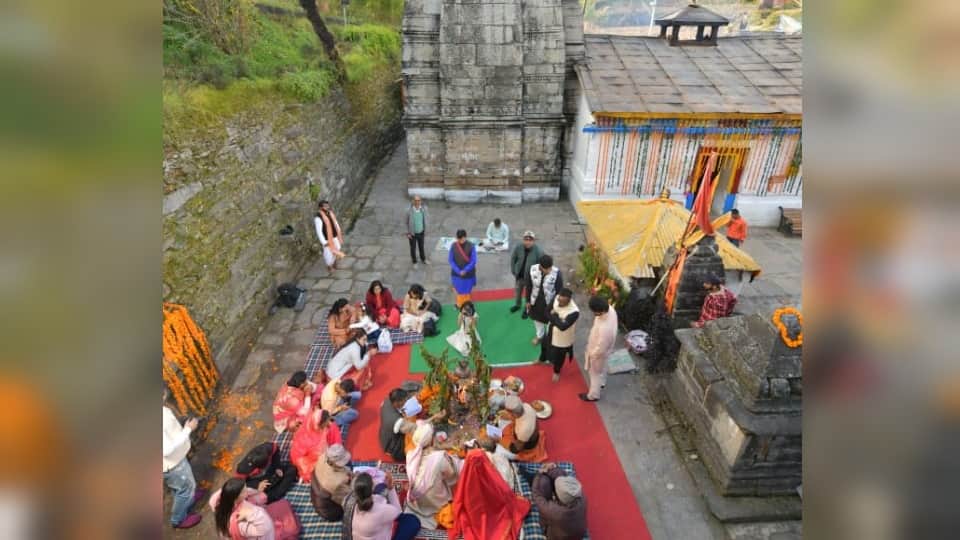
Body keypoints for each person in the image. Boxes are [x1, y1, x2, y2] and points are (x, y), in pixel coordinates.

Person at [448, 449, 530, 540]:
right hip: (494, 511)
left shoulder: (465, 479)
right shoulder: (490, 473)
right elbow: (503, 489)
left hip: (475, 516)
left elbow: (459, 499)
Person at [404, 422, 461, 528]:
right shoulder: (439, 458)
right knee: (457, 467)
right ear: (431, 440)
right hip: (435, 499)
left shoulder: (411, 454)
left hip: (417, 498)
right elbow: (451, 475)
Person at [163, 388, 205, 529]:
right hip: (173, 464)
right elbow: (166, 450)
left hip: (177, 458)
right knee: (184, 490)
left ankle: (190, 496)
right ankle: (178, 519)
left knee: (182, 486)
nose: (165, 394)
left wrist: (182, 424)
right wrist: (188, 429)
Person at [350, 472, 422, 540]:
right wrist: (391, 488)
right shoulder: (383, 510)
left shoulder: (350, 503)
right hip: (379, 532)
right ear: (372, 488)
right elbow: (398, 513)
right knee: (413, 521)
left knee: (381, 486)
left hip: (362, 534)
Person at [530, 463, 588, 540]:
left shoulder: (554, 511)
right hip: (579, 534)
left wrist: (539, 474)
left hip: (556, 537)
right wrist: (551, 468)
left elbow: (537, 495)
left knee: (543, 482)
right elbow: (565, 478)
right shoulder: (582, 497)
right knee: (546, 480)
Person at [580, 296, 618, 402]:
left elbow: (600, 349)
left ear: (598, 312)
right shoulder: (610, 310)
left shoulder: (605, 328)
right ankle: (602, 383)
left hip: (598, 353)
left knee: (594, 373)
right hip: (606, 350)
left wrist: (592, 354)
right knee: (603, 368)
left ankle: (593, 395)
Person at [290, 406, 342, 483]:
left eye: (328, 421)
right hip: (309, 461)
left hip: (323, 455)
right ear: (318, 425)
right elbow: (298, 457)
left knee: (333, 427)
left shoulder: (323, 426)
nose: (328, 423)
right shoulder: (305, 438)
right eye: (325, 423)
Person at [210, 478, 276, 539]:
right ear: (236, 498)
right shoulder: (240, 521)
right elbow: (266, 528)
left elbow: (248, 491)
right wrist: (252, 514)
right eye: (244, 491)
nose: (247, 491)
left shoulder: (223, 505)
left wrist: (258, 490)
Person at [543, 288, 580, 383]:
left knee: (559, 356)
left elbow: (563, 327)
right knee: (544, 345)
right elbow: (546, 311)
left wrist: (554, 316)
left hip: (563, 339)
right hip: (551, 330)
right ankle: (542, 359)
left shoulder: (574, 312)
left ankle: (557, 371)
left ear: (569, 301)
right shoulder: (556, 298)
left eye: (562, 302)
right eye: (559, 300)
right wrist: (558, 320)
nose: (559, 303)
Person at [525, 254, 563, 345]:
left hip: (550, 303)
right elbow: (529, 286)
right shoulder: (532, 270)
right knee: (537, 320)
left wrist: (557, 306)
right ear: (540, 266)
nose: (549, 271)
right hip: (536, 301)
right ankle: (539, 336)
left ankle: (550, 339)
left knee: (551, 322)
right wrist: (528, 301)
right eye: (547, 269)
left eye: (550, 268)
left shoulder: (557, 273)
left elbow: (559, 291)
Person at [311, 444, 353, 521]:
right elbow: (347, 498)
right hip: (330, 510)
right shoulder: (337, 481)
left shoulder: (323, 457)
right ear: (333, 463)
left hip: (318, 495)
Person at [499, 395, 547, 462]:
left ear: (512, 413)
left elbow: (516, 449)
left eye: (508, 412)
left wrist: (500, 440)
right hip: (527, 434)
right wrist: (510, 417)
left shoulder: (523, 430)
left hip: (527, 445)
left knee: (499, 449)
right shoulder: (526, 406)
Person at [509, 231, 543, 317]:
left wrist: (537, 277)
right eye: (526, 239)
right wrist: (513, 270)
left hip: (530, 278)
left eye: (530, 240)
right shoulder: (518, 247)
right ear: (523, 240)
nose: (527, 242)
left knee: (529, 295)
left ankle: (527, 309)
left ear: (533, 241)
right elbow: (513, 258)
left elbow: (541, 265)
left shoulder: (538, 251)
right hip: (519, 276)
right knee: (518, 292)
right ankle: (517, 305)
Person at [448, 229, 478, 308]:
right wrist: (458, 271)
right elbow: (450, 260)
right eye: (459, 239)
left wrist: (465, 270)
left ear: (465, 237)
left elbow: (473, 261)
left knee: (467, 290)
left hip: (468, 273)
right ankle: (459, 303)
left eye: (462, 238)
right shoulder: (453, 245)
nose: (460, 240)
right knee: (458, 290)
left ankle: (467, 304)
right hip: (456, 274)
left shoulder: (471, 246)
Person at [315, 200, 346, 272]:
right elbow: (319, 231)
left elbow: (335, 222)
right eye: (325, 206)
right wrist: (323, 242)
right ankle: (329, 266)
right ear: (320, 208)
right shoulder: (318, 218)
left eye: (327, 206)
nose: (327, 207)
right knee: (328, 253)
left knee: (337, 248)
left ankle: (334, 261)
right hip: (327, 239)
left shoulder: (330, 213)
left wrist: (339, 231)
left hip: (334, 236)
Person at [405, 196, 430, 266]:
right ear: (413, 201)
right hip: (412, 234)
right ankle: (414, 261)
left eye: (418, 200)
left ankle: (423, 259)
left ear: (420, 201)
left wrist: (426, 230)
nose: (417, 202)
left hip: (421, 232)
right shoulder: (408, 210)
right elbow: (405, 222)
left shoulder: (424, 209)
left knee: (421, 247)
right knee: (413, 248)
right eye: (415, 200)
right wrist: (407, 233)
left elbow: (426, 219)